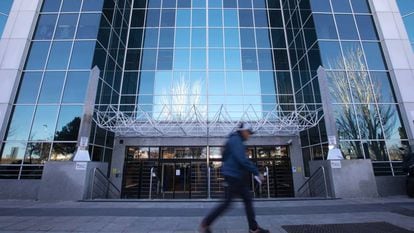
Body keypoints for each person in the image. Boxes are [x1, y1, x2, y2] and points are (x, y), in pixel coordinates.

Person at [199, 123, 270, 233]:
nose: (249, 135)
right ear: (243, 131)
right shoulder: (236, 141)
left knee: (244, 200)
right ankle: (206, 223)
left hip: (235, 176)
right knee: (229, 202)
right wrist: (256, 172)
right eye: (248, 132)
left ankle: (253, 228)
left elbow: (225, 156)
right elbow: (242, 159)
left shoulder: (234, 140)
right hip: (234, 177)